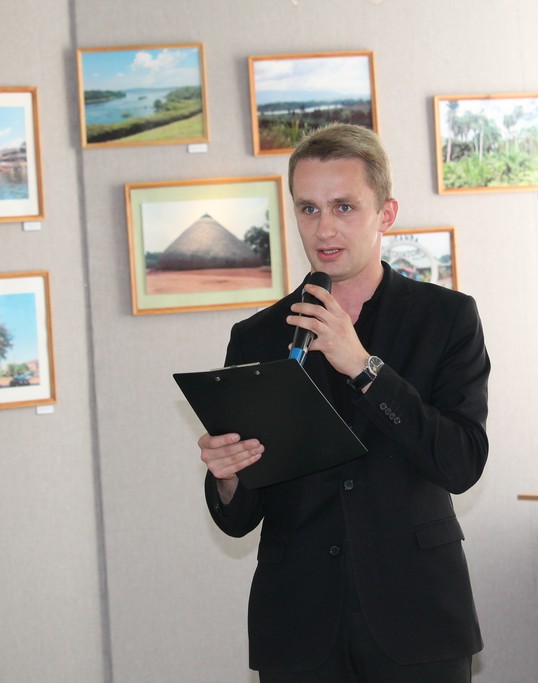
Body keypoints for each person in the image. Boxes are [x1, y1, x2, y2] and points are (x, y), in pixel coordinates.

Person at [199, 123, 491, 682]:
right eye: (308, 209)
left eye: (344, 207)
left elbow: (461, 463)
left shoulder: (446, 318)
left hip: (419, 618)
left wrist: (363, 367)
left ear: (386, 214)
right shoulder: (256, 337)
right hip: (298, 625)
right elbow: (240, 517)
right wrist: (228, 477)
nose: (324, 228)